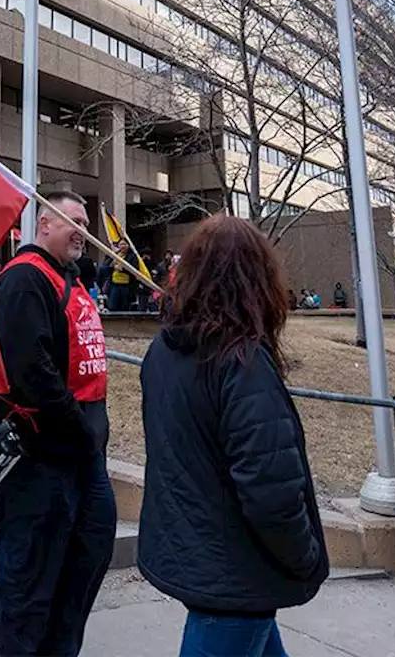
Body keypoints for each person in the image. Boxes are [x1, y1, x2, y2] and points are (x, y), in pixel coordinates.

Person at [139, 214, 328, 656]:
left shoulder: (163, 352)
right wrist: (304, 556)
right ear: (257, 279)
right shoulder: (241, 365)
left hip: (207, 562)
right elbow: (270, 491)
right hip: (233, 576)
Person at [0, 190, 116, 657]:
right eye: (74, 221)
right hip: (43, 461)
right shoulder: (23, 279)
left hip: (84, 459)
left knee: (85, 563)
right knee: (29, 582)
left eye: (86, 222)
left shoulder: (72, 280)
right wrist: (78, 430)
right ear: (45, 223)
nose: (84, 231)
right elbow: (30, 371)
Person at [108, 242, 133, 312]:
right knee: (113, 306)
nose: (123, 246)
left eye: (125, 244)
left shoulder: (131, 256)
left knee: (124, 307)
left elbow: (134, 270)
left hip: (126, 285)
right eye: (121, 244)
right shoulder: (115, 255)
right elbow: (106, 267)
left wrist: (122, 269)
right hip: (115, 284)